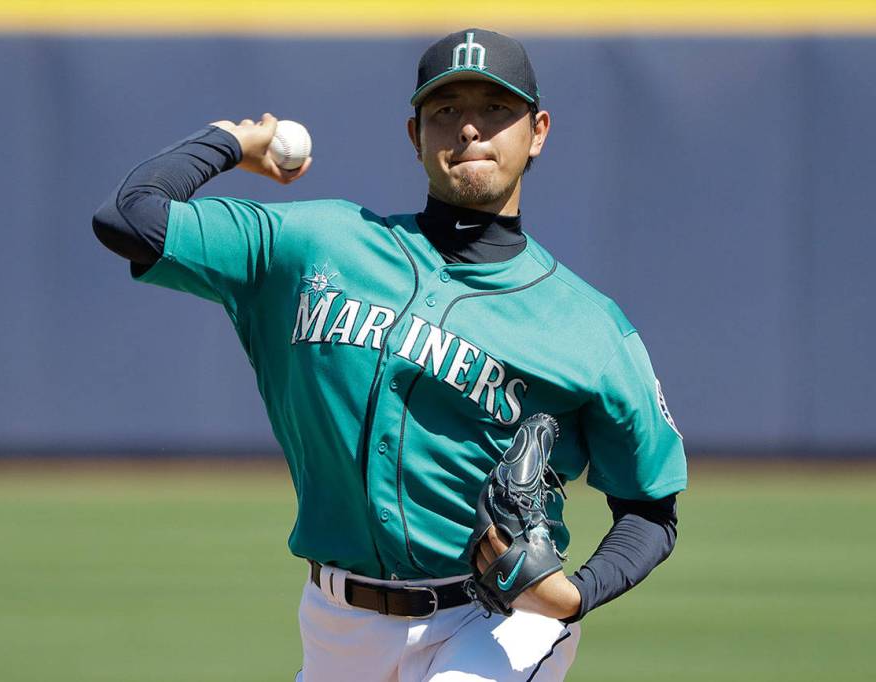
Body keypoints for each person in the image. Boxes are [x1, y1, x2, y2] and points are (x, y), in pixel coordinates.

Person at [92, 28, 687, 682]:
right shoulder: (314, 245)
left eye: (495, 108)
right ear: (415, 136)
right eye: (446, 110)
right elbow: (130, 218)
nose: (469, 128)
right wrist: (229, 141)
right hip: (336, 625)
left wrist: (576, 595)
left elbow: (650, 509)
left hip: (496, 620)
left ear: (537, 131)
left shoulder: (589, 328)